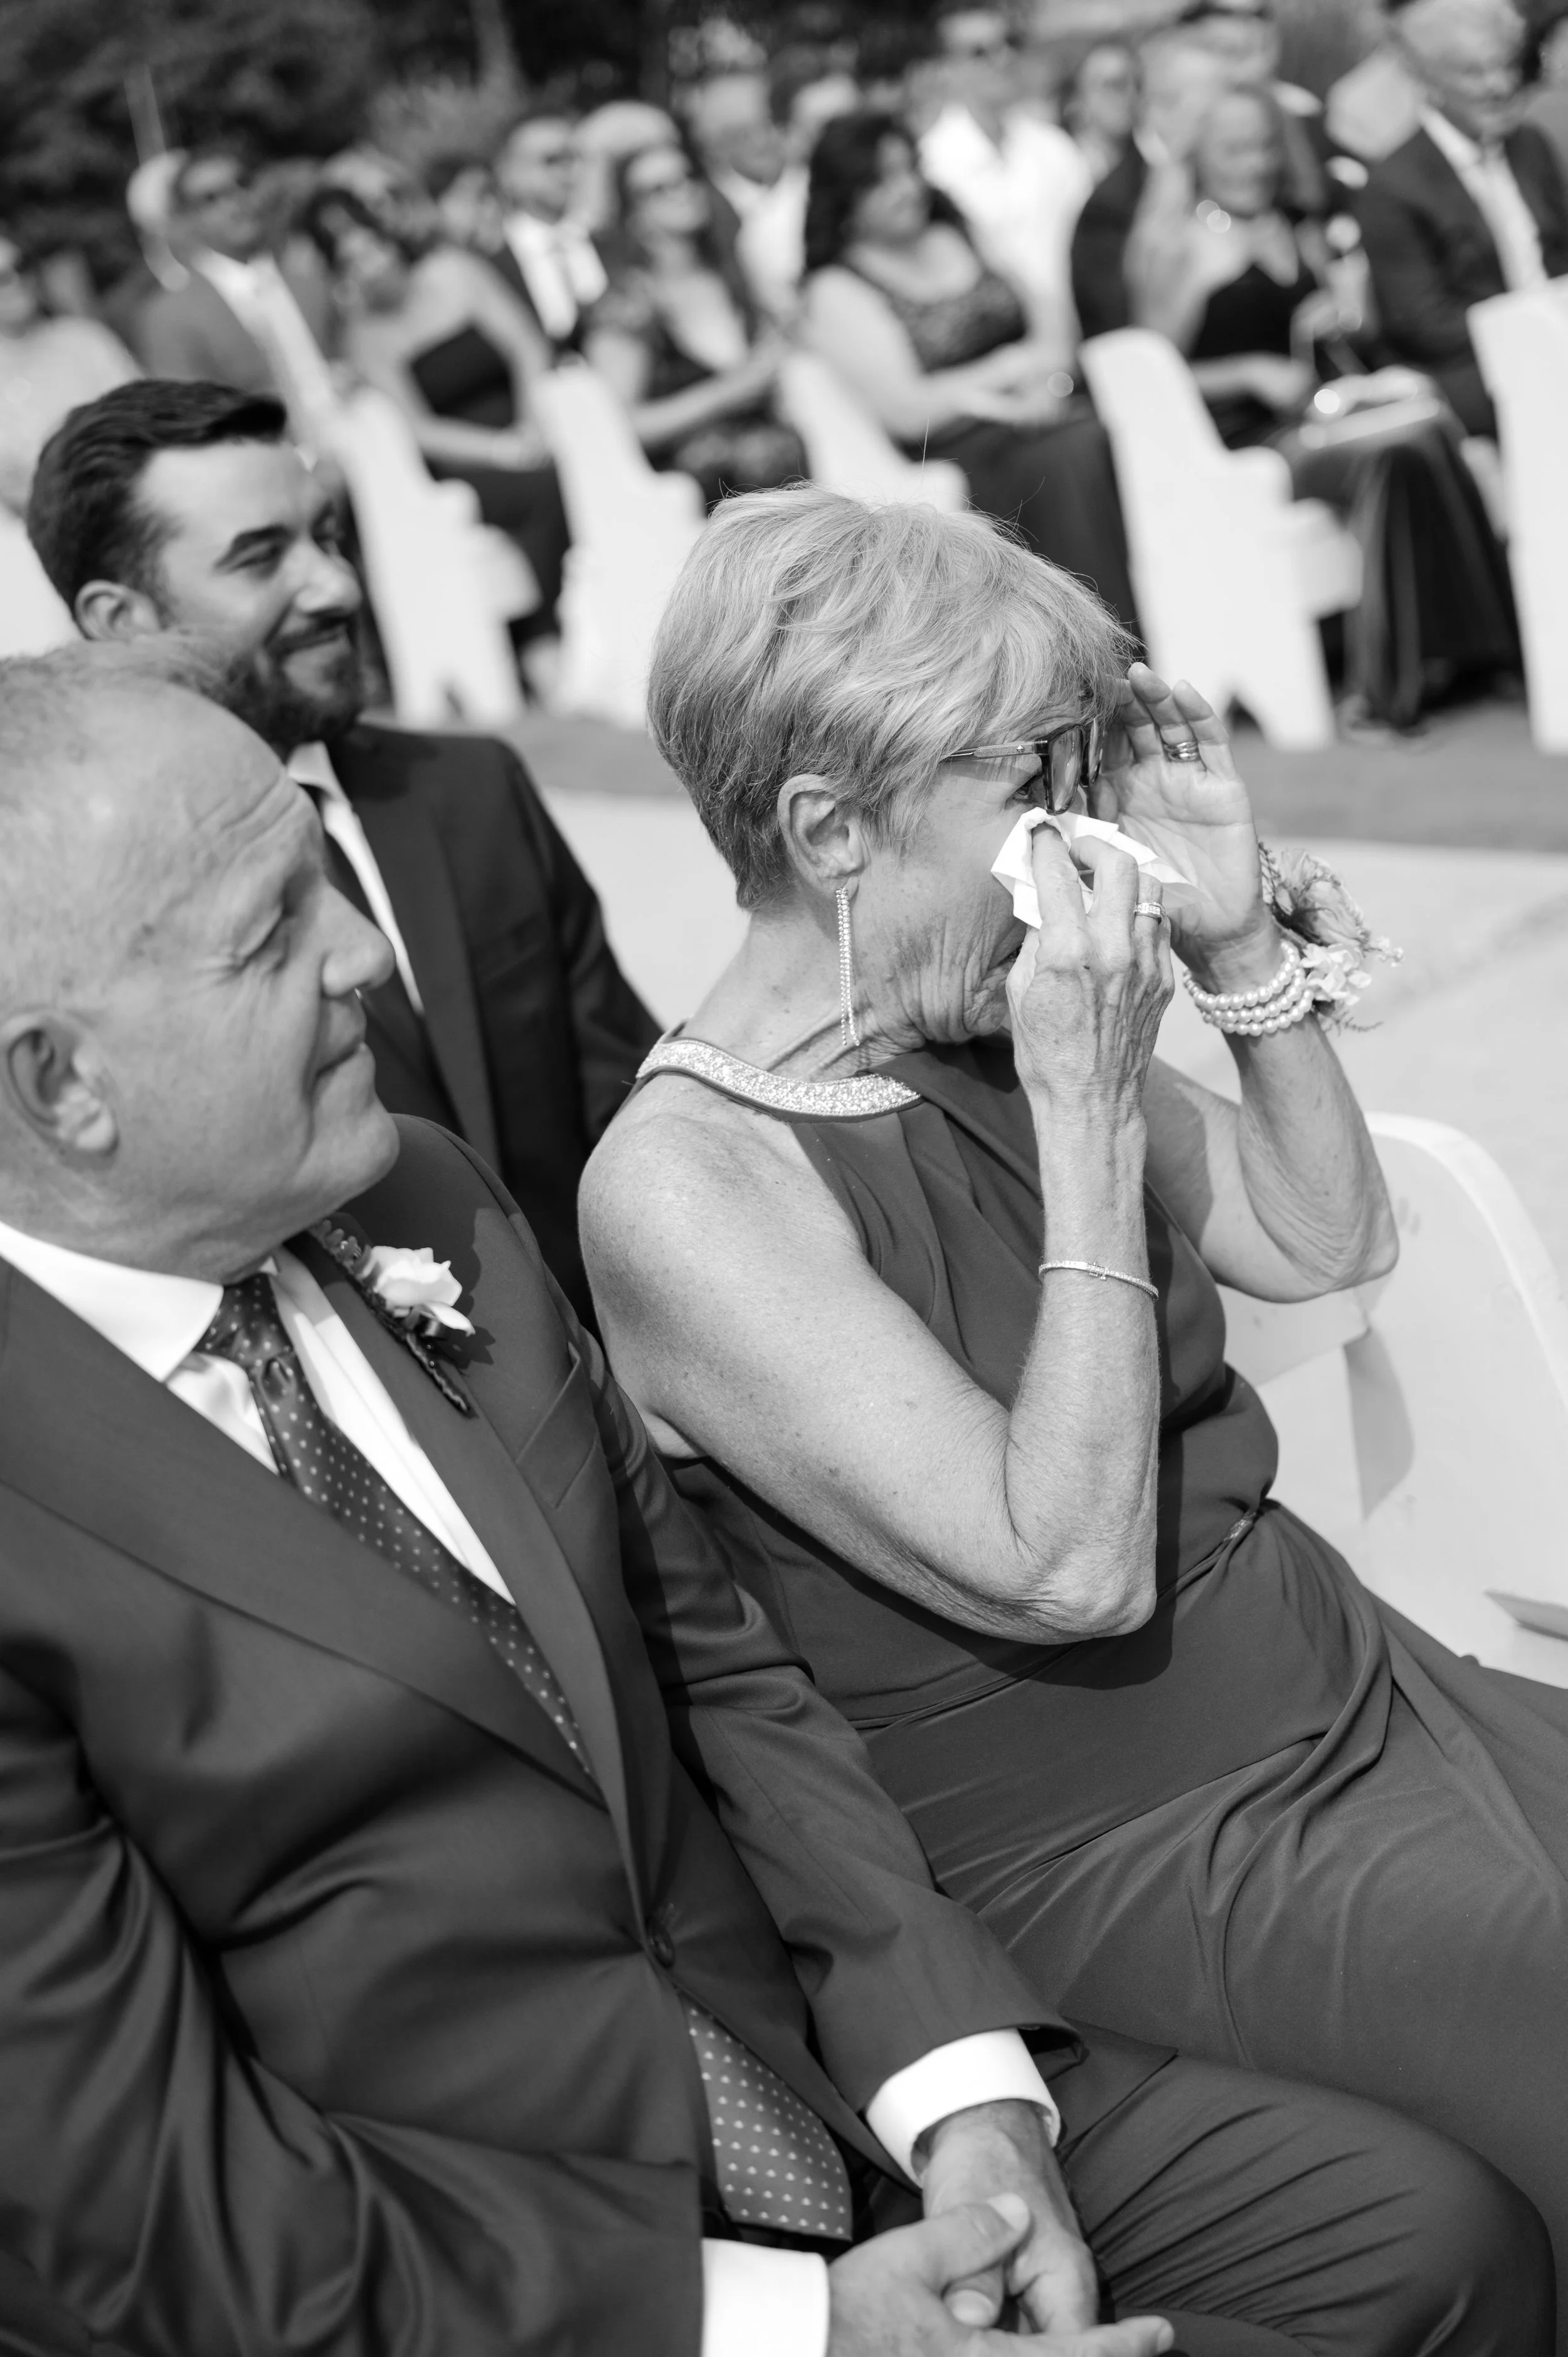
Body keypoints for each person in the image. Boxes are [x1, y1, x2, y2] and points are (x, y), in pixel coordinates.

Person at [0, 644, 1549, 2357]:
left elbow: (715, 1675)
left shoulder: (422, 1201)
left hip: (843, 2064)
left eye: (322, 874)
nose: (362, 954)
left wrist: (963, 2091)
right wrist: (785, 2323)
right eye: (271, 935)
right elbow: (142, 2215)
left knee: (1438, 2241)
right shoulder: (672, 1183)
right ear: (59, 1082)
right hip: (512, 2254)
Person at [579, 484, 1568, 2329]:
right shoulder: (690, 1184)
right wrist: (1090, 1106)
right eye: (1024, 784)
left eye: (1074, 768)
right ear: (831, 829)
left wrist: (1230, 954)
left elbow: (1318, 1230)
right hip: (1133, 1844)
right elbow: (1064, 1565)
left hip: (1357, 1697)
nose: (1067, 838)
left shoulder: (967, 1021)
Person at [26, 380, 655, 1326]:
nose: (337, 585)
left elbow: (627, 1097)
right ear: (122, 622)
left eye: (326, 533)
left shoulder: (473, 789)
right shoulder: (78, 916)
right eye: (259, 558)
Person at [1127, 84, 1518, 727]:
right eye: (1234, 150)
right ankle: (1387, 690)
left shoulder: (1289, 224)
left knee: (1427, 423)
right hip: (1242, 443)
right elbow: (1148, 384)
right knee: (1393, 450)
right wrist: (1247, 371)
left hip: (1314, 417)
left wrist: (1337, 313)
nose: (1254, 164)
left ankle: (1471, 651)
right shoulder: (1177, 246)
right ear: (1198, 155)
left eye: (1263, 147)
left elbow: (1331, 341)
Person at [800, 112, 1139, 632]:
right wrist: (1005, 377)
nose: (906, 189)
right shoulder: (838, 287)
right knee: (1073, 453)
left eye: (908, 169)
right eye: (881, 180)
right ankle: (1107, 648)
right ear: (844, 198)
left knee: (1122, 432)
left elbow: (1046, 313)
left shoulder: (956, 233)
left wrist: (1047, 379)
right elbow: (908, 410)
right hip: (958, 452)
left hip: (1043, 409)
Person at [302, 186, 569, 634]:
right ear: (341, 278)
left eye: (374, 248)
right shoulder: (366, 337)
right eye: (353, 261)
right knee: (541, 490)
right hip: (465, 458)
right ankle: (543, 634)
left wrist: (531, 423)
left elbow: (526, 345)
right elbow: (420, 429)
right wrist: (500, 451)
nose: (373, 265)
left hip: (529, 419)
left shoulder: (456, 273)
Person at [1355, 0, 1568, 431]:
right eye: (1474, 72)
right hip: (1470, 364)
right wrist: (1532, 325)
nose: (1498, 85)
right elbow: (1425, 324)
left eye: (1505, 66)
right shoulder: (1394, 186)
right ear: (1429, 81)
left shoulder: (1530, 146)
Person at [586, 143, 805, 511]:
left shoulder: (737, 276)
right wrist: (726, 393)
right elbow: (624, 424)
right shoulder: (628, 305)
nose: (683, 192)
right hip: (690, 487)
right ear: (632, 214)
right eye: (659, 189)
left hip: (781, 464)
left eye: (687, 178)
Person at [918, 3, 1094, 361]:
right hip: (1000, 357)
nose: (1002, 58)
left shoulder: (1055, 148)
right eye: (979, 52)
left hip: (1085, 338)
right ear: (944, 70)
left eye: (1007, 43)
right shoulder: (931, 166)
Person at [134, 144, 337, 425]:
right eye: (212, 198)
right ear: (188, 218)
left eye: (242, 184)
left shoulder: (311, 281)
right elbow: (190, 423)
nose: (235, 202)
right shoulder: (170, 317)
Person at [1070, 29, 1229, 341]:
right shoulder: (1112, 206)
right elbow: (1119, 338)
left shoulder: (1231, 181)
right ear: (1165, 104)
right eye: (1219, 104)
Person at [494, 108, 610, 351]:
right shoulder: (493, 268)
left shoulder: (613, 241)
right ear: (508, 173)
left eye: (574, 157)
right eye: (552, 160)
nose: (569, 171)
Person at [1061, 43, 1142, 189]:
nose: (1131, 96)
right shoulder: (1058, 164)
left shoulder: (1149, 163)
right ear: (1079, 96)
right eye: (1116, 84)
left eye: (1139, 84)